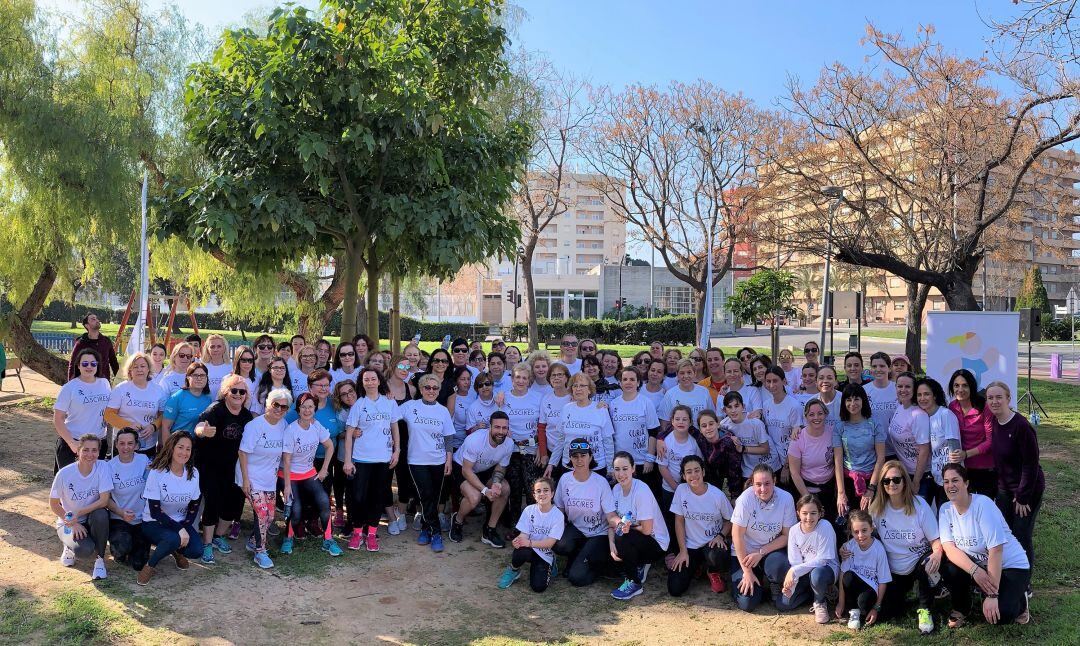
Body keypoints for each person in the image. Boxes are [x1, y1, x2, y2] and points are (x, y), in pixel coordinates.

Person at [938, 463, 1031, 627]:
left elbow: (996, 550)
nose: (950, 485)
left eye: (955, 480)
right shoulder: (945, 510)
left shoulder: (983, 505)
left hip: (1010, 565)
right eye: (946, 481)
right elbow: (949, 548)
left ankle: (1020, 601)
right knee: (949, 567)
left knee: (1001, 616)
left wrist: (993, 596)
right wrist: (975, 571)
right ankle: (962, 607)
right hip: (979, 567)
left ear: (966, 483)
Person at [866, 462, 942, 634]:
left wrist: (937, 554)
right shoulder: (876, 508)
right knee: (889, 612)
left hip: (918, 561)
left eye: (896, 479)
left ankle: (925, 609)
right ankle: (908, 595)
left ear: (905, 481)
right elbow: (865, 537)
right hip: (893, 568)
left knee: (928, 562)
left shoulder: (919, 505)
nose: (891, 484)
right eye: (886, 481)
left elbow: (936, 541)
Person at [192, 374, 253, 564]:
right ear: (226, 392)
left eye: (241, 391)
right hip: (209, 465)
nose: (237, 394)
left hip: (233, 467)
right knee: (213, 502)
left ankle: (218, 536)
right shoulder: (215, 410)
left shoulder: (246, 415)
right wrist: (203, 431)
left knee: (233, 505)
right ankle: (207, 543)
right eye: (233, 390)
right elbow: (200, 426)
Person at [986, 381, 1043, 576]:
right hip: (1005, 490)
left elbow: (1031, 464)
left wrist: (1022, 497)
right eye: (990, 398)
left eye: (999, 397)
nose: (994, 401)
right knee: (1005, 534)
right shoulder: (995, 421)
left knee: (1021, 535)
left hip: (1026, 490)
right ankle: (1010, 573)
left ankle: (1025, 583)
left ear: (1009, 399)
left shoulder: (1021, 426)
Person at [343, 368, 401, 551]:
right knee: (359, 497)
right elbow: (350, 433)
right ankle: (358, 532)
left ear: (378, 381)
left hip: (383, 459)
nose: (369, 382)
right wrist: (347, 460)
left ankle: (372, 534)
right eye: (366, 379)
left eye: (372, 379)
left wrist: (397, 451)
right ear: (362, 382)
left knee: (377, 497)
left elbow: (395, 428)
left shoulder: (389, 403)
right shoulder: (359, 404)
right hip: (361, 459)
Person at [399, 374, 456, 552]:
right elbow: (391, 417)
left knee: (433, 497)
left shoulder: (442, 410)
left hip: (438, 460)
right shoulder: (410, 407)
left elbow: (448, 437)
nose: (431, 391)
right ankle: (436, 532)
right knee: (425, 496)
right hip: (417, 460)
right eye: (427, 387)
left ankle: (425, 529)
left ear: (439, 391)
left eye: (435, 388)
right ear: (421, 389)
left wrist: (448, 460)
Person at [137, 432, 203, 585]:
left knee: (196, 550)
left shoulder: (194, 473)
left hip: (179, 523)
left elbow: (195, 504)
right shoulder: (157, 473)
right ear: (171, 448)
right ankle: (150, 566)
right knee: (174, 538)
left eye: (188, 449)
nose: (184, 452)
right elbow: (155, 511)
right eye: (180, 447)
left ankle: (176, 550)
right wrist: (180, 530)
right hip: (153, 522)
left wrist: (185, 527)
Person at [237, 387, 291, 569]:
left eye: (284, 407)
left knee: (270, 517)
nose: (279, 409)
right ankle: (260, 552)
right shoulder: (255, 426)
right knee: (261, 514)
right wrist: (245, 481)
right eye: (276, 405)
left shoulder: (283, 425)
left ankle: (253, 541)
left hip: (269, 478)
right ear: (268, 404)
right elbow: (242, 453)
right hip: (251, 476)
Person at [281, 393, 341, 556]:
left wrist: (324, 470)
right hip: (289, 474)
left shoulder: (316, 425)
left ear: (315, 409)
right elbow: (286, 460)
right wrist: (286, 487)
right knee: (297, 509)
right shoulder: (291, 429)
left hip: (309, 472)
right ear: (298, 409)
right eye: (303, 407)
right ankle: (288, 538)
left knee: (323, 502)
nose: (307, 410)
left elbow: (330, 446)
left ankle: (328, 539)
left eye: (310, 407)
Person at [553, 439, 619, 587]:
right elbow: (559, 510)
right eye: (575, 456)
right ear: (570, 458)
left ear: (590, 457)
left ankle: (600, 566)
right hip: (577, 529)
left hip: (598, 533)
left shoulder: (600, 482)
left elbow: (611, 516)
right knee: (560, 544)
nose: (579, 460)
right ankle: (579, 555)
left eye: (583, 455)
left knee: (576, 578)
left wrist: (619, 523)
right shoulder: (565, 480)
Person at [730, 464, 797, 611]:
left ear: (774, 481)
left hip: (769, 551)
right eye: (758, 484)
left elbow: (787, 536)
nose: (763, 489)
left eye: (767, 483)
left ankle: (773, 581)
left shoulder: (786, 499)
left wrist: (761, 552)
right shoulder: (745, 499)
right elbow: (737, 535)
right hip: (745, 555)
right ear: (752, 484)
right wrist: (747, 572)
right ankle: (747, 580)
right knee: (747, 603)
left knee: (779, 567)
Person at [667, 455, 732, 597]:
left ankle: (712, 571)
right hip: (691, 546)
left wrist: (721, 536)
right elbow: (679, 521)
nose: (693, 475)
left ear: (703, 472)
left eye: (697, 470)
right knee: (675, 588)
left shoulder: (717, 495)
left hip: (712, 544)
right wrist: (682, 551)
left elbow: (730, 521)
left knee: (719, 555)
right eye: (689, 472)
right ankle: (697, 566)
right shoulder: (681, 491)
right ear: (684, 476)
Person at [49, 433, 112, 580]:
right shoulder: (64, 473)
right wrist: (73, 521)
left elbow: (104, 501)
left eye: (94, 450)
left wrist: (79, 512)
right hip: (68, 521)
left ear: (99, 452)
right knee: (85, 550)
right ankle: (69, 546)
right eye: (86, 450)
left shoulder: (102, 467)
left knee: (101, 514)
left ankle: (100, 560)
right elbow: (53, 504)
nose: (90, 454)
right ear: (78, 451)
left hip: (89, 518)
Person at [609, 451, 670, 600]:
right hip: (636, 537)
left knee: (623, 536)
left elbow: (647, 530)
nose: (621, 474)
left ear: (633, 468)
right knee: (618, 538)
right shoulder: (616, 489)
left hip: (656, 542)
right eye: (617, 469)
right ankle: (639, 563)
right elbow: (611, 519)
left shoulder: (641, 490)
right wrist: (611, 544)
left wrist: (624, 528)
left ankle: (634, 583)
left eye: (625, 468)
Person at [450, 411, 513, 547]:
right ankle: (458, 520)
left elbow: (501, 468)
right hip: (462, 467)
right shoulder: (475, 440)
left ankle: (490, 530)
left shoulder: (509, 444)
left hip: (485, 469)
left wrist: (496, 483)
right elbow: (466, 471)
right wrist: (485, 490)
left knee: (504, 488)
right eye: (497, 427)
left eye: (504, 428)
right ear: (489, 427)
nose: (501, 431)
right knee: (474, 497)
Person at [778, 494, 838, 623]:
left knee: (817, 574)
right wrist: (792, 586)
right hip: (804, 571)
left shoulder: (825, 526)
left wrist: (793, 571)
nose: (809, 518)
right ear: (798, 513)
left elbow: (822, 560)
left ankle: (820, 602)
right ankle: (816, 593)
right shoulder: (794, 530)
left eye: (813, 513)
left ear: (820, 513)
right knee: (783, 604)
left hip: (825, 570)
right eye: (804, 513)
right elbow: (795, 562)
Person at [499, 476, 565, 592]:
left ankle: (551, 562)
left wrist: (528, 543)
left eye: (546, 490)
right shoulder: (529, 510)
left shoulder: (558, 515)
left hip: (545, 553)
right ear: (534, 495)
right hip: (530, 549)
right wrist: (518, 540)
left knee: (538, 587)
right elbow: (524, 534)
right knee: (520, 549)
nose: (542, 494)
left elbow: (549, 543)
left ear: (552, 494)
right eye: (538, 491)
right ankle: (513, 570)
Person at [833, 383, 886, 517]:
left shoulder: (875, 424)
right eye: (848, 400)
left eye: (856, 399)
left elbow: (881, 458)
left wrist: (871, 489)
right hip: (847, 481)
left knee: (869, 524)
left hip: (872, 481)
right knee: (848, 525)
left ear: (863, 400)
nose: (852, 403)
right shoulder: (839, 426)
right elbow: (838, 461)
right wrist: (841, 493)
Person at [53, 348, 111, 471]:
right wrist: (71, 443)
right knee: (70, 485)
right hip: (74, 443)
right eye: (85, 364)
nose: (89, 367)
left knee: (94, 483)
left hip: (98, 443)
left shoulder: (105, 383)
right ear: (78, 366)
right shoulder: (69, 388)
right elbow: (58, 418)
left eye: (93, 363)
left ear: (97, 365)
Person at [502, 364, 545, 533]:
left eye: (524, 378)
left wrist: (541, 449)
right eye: (517, 377)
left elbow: (542, 425)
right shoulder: (503, 397)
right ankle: (515, 524)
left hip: (530, 447)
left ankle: (532, 524)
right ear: (512, 379)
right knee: (514, 487)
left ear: (529, 381)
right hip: (510, 447)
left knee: (530, 487)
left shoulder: (537, 398)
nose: (521, 381)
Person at [608, 367, 661, 492]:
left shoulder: (646, 403)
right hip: (620, 460)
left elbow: (653, 432)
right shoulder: (613, 404)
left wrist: (649, 458)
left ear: (638, 382)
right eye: (625, 379)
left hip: (641, 461)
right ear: (620, 383)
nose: (628, 382)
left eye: (632, 379)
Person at [836, 510, 890, 630]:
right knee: (847, 576)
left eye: (864, 530)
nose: (860, 535)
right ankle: (853, 611)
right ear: (851, 532)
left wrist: (877, 607)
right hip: (855, 584)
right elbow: (843, 573)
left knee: (863, 603)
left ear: (871, 528)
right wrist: (841, 602)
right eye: (856, 532)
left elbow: (883, 580)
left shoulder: (878, 549)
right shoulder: (849, 547)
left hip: (871, 588)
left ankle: (865, 611)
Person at [105, 428, 151, 572]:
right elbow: (105, 499)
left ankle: (136, 548)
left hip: (140, 519)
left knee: (138, 564)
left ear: (136, 445)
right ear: (116, 444)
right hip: (119, 518)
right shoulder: (109, 467)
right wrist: (121, 512)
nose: (126, 447)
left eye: (130, 443)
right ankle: (120, 550)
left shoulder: (144, 461)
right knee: (122, 547)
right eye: (122, 443)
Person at [552, 373, 616, 476]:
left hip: (596, 467)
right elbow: (560, 440)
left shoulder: (600, 409)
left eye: (582, 385)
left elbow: (608, 442)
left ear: (590, 390)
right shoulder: (566, 409)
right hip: (570, 466)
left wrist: (610, 468)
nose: (578, 389)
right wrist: (552, 463)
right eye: (575, 385)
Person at [105, 353, 166, 457]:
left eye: (142, 366)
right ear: (130, 370)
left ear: (148, 369)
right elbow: (108, 415)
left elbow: (163, 415)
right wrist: (128, 425)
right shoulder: (121, 389)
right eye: (135, 367)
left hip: (148, 445)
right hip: (123, 445)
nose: (139, 369)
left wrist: (153, 426)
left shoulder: (158, 390)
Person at [788, 400, 838, 526]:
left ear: (826, 415)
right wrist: (808, 499)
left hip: (830, 489)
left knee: (830, 526)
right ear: (805, 417)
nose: (816, 417)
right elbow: (794, 473)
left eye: (820, 413)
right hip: (806, 489)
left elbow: (838, 462)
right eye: (811, 414)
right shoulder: (798, 438)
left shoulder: (833, 433)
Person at [948, 369, 996, 498]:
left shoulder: (984, 407)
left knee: (983, 509)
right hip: (962, 468)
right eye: (956, 385)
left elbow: (990, 442)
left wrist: (966, 454)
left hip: (985, 468)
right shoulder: (952, 407)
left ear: (972, 387)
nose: (960, 389)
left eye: (965, 385)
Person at [917, 377, 963, 507]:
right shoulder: (922, 416)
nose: (922, 398)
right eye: (919, 395)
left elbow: (955, 448)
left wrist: (952, 478)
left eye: (926, 394)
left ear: (935, 396)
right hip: (934, 477)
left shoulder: (945, 415)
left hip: (949, 480)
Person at [657, 406, 704, 529]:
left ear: (690, 422)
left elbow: (699, 465)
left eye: (684, 419)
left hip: (691, 489)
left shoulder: (694, 442)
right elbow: (662, 467)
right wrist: (676, 488)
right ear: (672, 421)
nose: (681, 422)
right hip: (670, 489)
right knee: (671, 521)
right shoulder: (665, 441)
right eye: (677, 419)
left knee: (689, 521)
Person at [386, 357, 418, 533]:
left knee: (405, 479)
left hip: (405, 439)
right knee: (385, 479)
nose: (405, 369)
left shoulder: (411, 390)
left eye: (408, 366)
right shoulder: (382, 387)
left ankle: (401, 512)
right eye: (401, 366)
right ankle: (389, 515)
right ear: (393, 366)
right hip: (385, 440)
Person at [886, 373, 930, 493]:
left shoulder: (918, 415)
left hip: (921, 476)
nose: (903, 390)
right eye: (900, 386)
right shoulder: (900, 406)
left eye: (907, 387)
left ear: (914, 389)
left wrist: (916, 481)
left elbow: (924, 450)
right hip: (905, 472)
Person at [761, 366, 804, 488]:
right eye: (768, 381)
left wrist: (787, 466)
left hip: (790, 461)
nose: (771, 385)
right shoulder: (766, 405)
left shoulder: (793, 406)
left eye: (775, 380)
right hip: (773, 461)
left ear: (784, 381)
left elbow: (795, 438)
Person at [721, 392, 770, 485]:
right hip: (747, 469)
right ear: (724, 410)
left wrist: (743, 449)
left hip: (767, 465)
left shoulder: (755, 423)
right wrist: (729, 436)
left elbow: (766, 449)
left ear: (743, 406)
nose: (733, 410)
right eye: (729, 407)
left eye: (736, 406)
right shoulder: (724, 425)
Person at [330, 379, 358, 532]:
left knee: (355, 490)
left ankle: (355, 519)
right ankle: (342, 512)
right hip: (343, 454)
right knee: (342, 485)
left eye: (350, 392)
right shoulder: (341, 412)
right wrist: (350, 433)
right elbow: (338, 433)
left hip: (362, 455)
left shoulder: (363, 406)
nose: (348, 396)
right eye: (344, 394)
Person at [658, 359, 715, 431]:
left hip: (701, 437)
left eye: (689, 372)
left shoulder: (704, 392)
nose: (686, 376)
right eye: (682, 373)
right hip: (678, 438)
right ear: (677, 375)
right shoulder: (670, 394)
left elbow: (711, 416)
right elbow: (664, 422)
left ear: (694, 373)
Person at [160, 363, 213, 440]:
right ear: (188, 377)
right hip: (178, 445)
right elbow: (166, 427)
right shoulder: (177, 397)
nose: (199, 378)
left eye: (202, 375)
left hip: (199, 447)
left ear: (206, 378)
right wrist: (167, 451)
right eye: (195, 375)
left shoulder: (208, 399)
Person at [538, 364, 571, 480]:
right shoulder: (546, 399)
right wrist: (543, 453)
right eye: (553, 376)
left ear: (567, 378)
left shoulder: (573, 398)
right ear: (549, 380)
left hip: (570, 451)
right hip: (551, 450)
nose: (556, 378)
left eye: (560, 375)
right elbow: (542, 428)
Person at [67, 313, 119, 381]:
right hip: (85, 383)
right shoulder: (80, 343)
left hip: (103, 383)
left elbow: (113, 362)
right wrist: (71, 383)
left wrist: (119, 380)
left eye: (96, 318)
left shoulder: (106, 341)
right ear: (87, 325)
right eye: (93, 319)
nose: (97, 320)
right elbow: (73, 364)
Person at [864, 353, 898, 450]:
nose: (878, 369)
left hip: (896, 449)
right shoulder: (864, 391)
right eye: (874, 366)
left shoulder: (897, 389)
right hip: (872, 448)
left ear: (889, 368)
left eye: (882, 366)